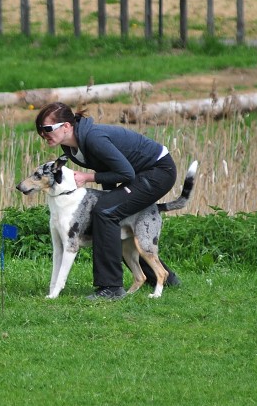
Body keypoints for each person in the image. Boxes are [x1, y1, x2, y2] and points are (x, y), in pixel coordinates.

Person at [34, 102, 181, 300]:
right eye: (40, 130)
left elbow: (125, 172)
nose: (43, 134)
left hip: (158, 172)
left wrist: (87, 178)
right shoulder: (70, 148)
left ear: (67, 126)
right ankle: (164, 278)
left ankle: (111, 288)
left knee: (105, 212)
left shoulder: (93, 138)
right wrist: (110, 199)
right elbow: (108, 168)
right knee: (108, 210)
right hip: (139, 174)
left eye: (47, 129)